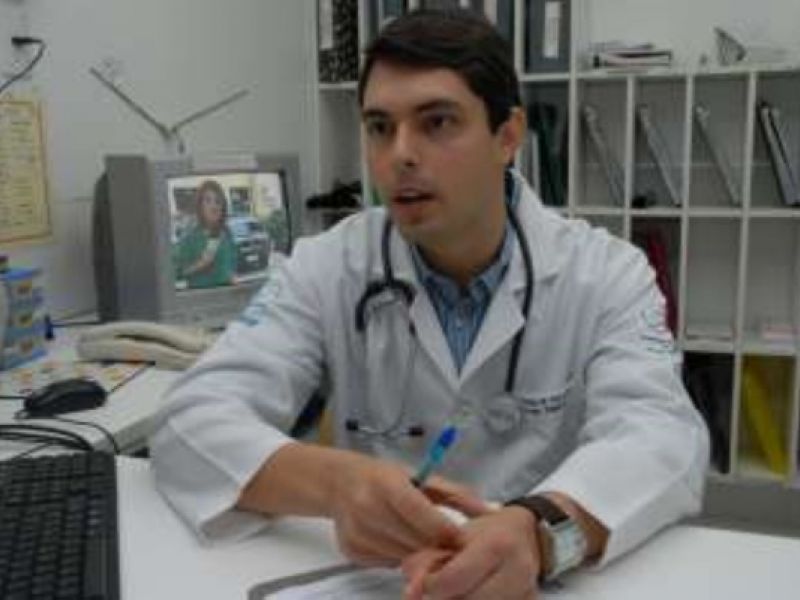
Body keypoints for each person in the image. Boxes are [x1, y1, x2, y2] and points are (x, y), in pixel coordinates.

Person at [152, 9, 709, 599]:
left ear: (508, 136)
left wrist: (540, 534)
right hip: (382, 581)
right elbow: (191, 419)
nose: (400, 155)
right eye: (379, 127)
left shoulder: (608, 274)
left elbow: (661, 436)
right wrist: (336, 484)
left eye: (437, 122)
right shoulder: (325, 266)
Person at [174, 179, 236, 289]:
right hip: (200, 298)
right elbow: (175, 273)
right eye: (208, 201)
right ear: (200, 206)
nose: (214, 206)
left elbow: (232, 267)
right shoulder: (190, 238)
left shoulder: (227, 233)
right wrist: (200, 264)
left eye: (218, 202)